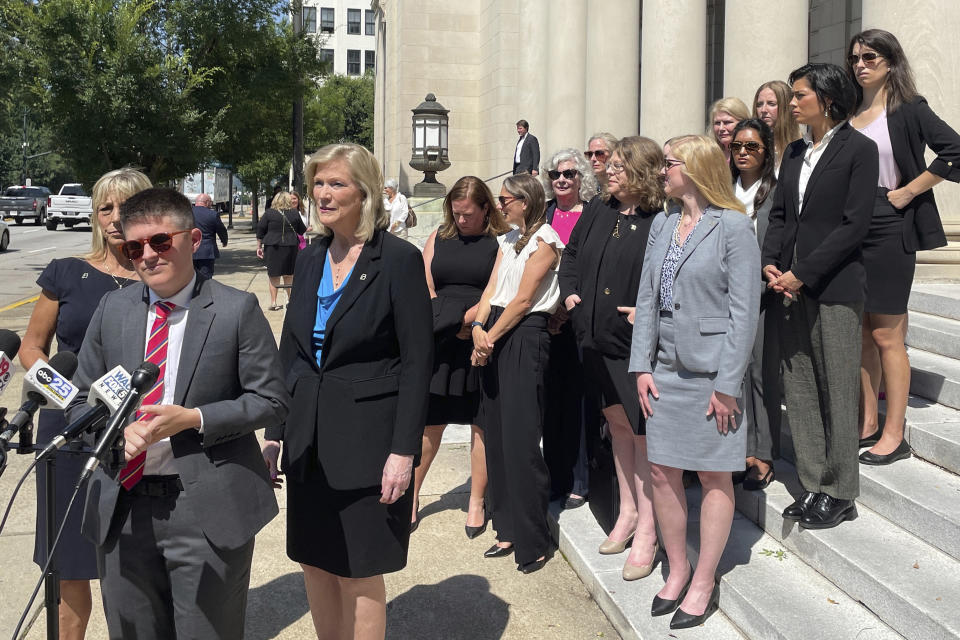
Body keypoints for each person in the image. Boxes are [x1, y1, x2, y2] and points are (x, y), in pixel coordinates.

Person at [67, 187, 289, 639]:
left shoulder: (235, 310)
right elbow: (80, 399)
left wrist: (195, 418)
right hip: (122, 505)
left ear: (192, 238)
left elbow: (272, 399)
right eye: (134, 248)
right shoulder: (113, 310)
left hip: (203, 505)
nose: (147, 256)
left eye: (160, 242)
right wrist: (112, 433)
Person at [261, 143, 432, 640]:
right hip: (308, 439)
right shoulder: (311, 257)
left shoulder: (397, 260)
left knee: (359, 570)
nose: (323, 194)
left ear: (365, 192)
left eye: (336, 183)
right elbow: (290, 353)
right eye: (318, 183)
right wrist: (275, 433)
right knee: (314, 562)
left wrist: (404, 452)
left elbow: (417, 364)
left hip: (369, 442)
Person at [631, 135, 760, 629]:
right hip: (664, 371)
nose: (662, 172)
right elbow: (647, 298)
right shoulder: (663, 223)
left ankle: (704, 579)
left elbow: (743, 313)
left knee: (713, 476)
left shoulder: (733, 227)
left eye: (669, 164)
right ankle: (678, 566)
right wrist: (642, 366)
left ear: (697, 168)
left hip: (713, 377)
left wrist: (727, 383)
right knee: (662, 472)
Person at [17, 167, 151, 640]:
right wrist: (71, 398)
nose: (115, 218)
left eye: (126, 206)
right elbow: (31, 349)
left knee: (136, 562)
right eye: (106, 207)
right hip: (70, 433)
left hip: (140, 434)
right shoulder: (65, 273)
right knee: (69, 565)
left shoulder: (162, 278)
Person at [762, 63, 878, 530]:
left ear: (827, 99)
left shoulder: (859, 150)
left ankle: (841, 490)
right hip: (788, 285)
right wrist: (771, 262)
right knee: (802, 385)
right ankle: (813, 483)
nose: (792, 102)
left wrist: (801, 274)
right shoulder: (793, 152)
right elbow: (781, 216)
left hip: (833, 287)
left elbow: (855, 226)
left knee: (836, 386)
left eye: (799, 94)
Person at [847, 29, 960, 465]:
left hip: (892, 221)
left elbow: (954, 150)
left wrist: (910, 190)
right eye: (855, 57)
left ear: (891, 61)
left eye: (870, 57)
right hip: (853, 225)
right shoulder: (850, 112)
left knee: (886, 334)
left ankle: (895, 434)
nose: (861, 64)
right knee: (861, 333)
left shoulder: (909, 107)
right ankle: (867, 423)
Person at [558, 136, 665, 581]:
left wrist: (651, 311)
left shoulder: (660, 218)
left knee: (642, 435)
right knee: (618, 428)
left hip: (632, 344)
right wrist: (570, 297)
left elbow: (669, 277)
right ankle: (627, 512)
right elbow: (573, 257)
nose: (609, 171)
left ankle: (649, 529)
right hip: (592, 337)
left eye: (620, 165)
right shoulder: (599, 209)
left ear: (641, 170)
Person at [472, 173, 562, 573]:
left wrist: (488, 336)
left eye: (505, 198)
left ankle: (534, 538)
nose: (500, 204)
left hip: (523, 337)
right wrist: (477, 327)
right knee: (496, 436)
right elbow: (491, 290)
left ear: (526, 201)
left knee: (522, 440)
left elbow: (524, 299)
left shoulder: (547, 242)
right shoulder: (505, 241)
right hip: (493, 329)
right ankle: (506, 526)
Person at [411, 176, 509, 535]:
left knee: (479, 422)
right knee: (429, 421)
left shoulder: (499, 243)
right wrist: (445, 320)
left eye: (468, 213)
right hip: (440, 338)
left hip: (479, 337)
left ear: (486, 209)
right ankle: (413, 494)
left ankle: (476, 501)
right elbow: (423, 282)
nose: (462, 220)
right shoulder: (439, 236)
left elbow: (496, 287)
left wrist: (469, 320)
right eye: (456, 213)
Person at [540, 148, 598, 509]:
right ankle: (554, 475)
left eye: (569, 174)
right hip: (545, 319)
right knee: (551, 401)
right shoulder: (543, 213)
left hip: (577, 317)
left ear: (582, 179)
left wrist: (567, 307)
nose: (561, 179)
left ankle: (580, 477)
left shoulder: (593, 215)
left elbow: (591, 267)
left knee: (578, 401)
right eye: (555, 174)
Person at [730, 119, 781, 490]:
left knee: (760, 372)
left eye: (752, 147)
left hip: (763, 294)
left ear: (767, 151)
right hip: (726, 293)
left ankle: (763, 453)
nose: (744, 153)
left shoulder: (776, 192)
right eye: (737, 147)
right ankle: (740, 450)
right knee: (735, 373)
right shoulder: (723, 191)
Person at [256, 190, 306, 310]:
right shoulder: (294, 213)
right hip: (291, 246)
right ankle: (290, 300)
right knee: (289, 275)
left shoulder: (269, 213)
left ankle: (274, 302)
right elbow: (301, 230)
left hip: (273, 246)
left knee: (274, 276)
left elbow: (260, 231)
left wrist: (259, 247)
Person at [753, 80, 802, 170]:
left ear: (786, 107)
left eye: (771, 104)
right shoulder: (750, 146)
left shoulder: (803, 148)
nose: (763, 110)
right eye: (759, 104)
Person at [191, 193, 228, 279]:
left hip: (190, 250)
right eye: (211, 202)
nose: (211, 204)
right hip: (207, 252)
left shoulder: (187, 214)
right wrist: (224, 241)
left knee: (190, 278)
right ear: (207, 202)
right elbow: (221, 230)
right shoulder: (213, 214)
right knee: (206, 278)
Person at [708, 97, 751, 162]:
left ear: (743, 122)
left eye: (727, 122)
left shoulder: (752, 155)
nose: (721, 128)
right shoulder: (709, 155)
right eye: (717, 123)